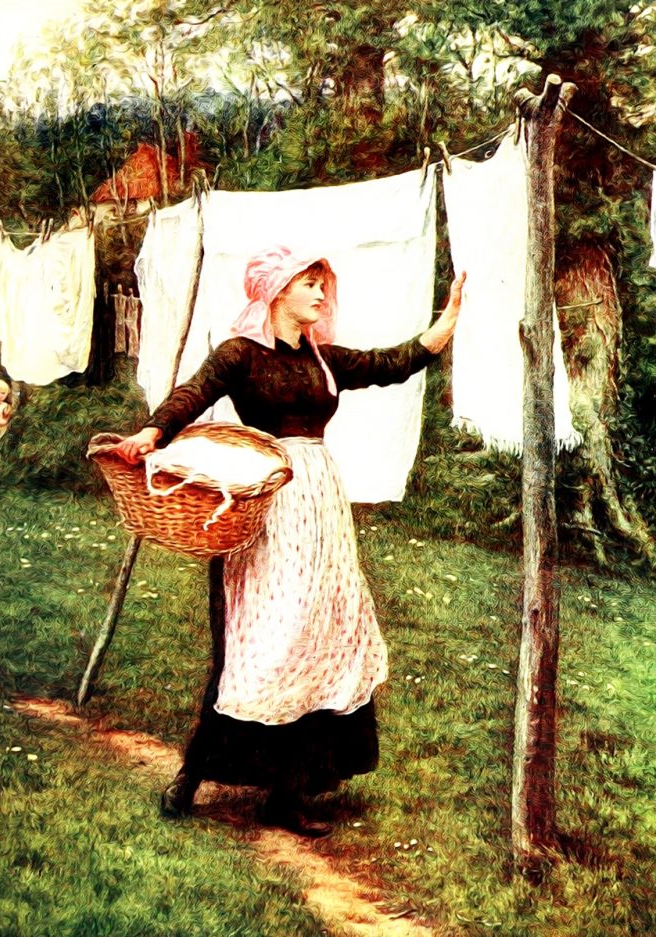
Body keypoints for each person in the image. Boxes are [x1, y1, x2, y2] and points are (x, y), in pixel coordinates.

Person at [117, 246, 464, 837]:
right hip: (267, 504)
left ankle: (288, 792)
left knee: (319, 636)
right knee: (261, 642)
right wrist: (154, 430)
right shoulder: (240, 354)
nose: (321, 295)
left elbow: (390, 363)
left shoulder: (323, 359)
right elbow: (193, 393)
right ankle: (193, 775)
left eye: (322, 284)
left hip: (320, 507)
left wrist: (445, 323)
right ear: (277, 291)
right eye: (310, 284)